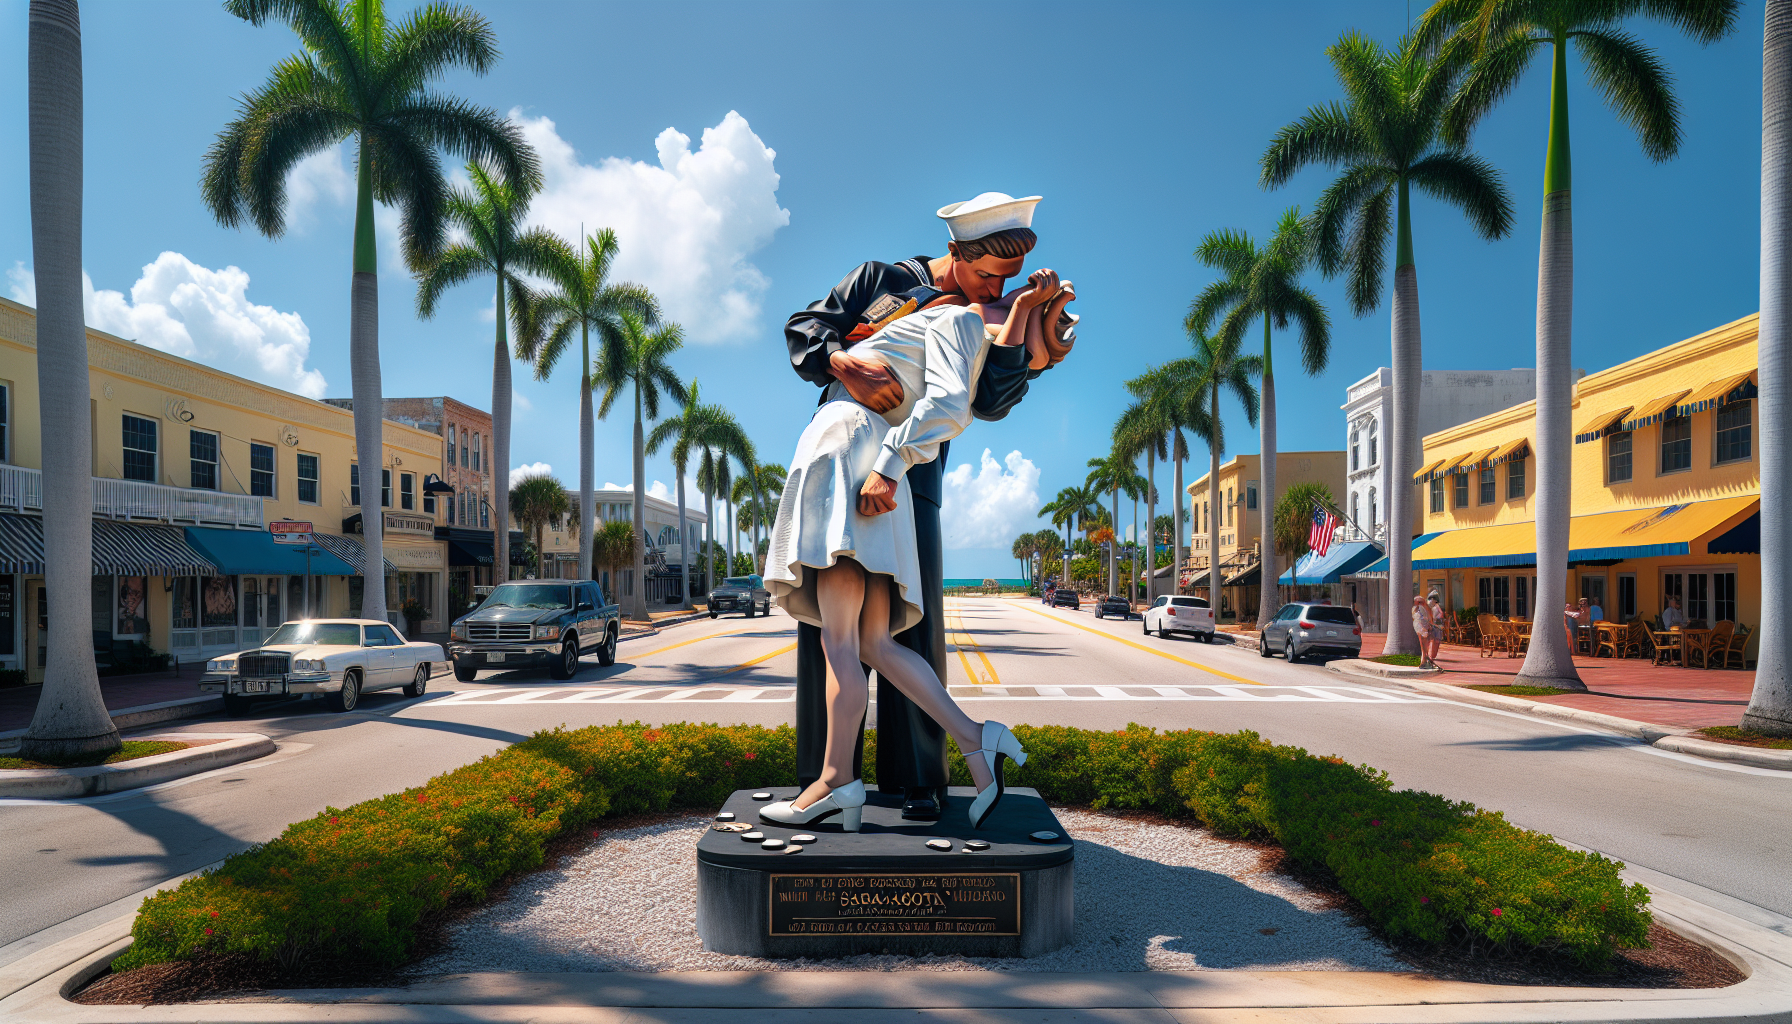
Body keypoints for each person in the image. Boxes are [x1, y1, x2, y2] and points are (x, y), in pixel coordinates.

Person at [782, 192, 1074, 821]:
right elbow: (806, 327)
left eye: (1007, 280)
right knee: (849, 636)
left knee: (901, 628)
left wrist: (1031, 338)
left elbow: (988, 401)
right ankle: (834, 771)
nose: (993, 288)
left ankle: (915, 782)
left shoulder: (982, 315)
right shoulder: (882, 281)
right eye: (987, 275)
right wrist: (843, 363)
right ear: (956, 251)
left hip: (906, 470)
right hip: (848, 451)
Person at [1411, 595, 1435, 669]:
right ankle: (1424, 660)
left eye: (1420, 602)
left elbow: (1429, 617)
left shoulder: (1423, 608)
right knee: (1423, 644)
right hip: (1421, 628)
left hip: (1423, 627)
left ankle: (1425, 659)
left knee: (1425, 644)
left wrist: (1430, 624)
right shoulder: (1417, 609)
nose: (1418, 603)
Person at [1425, 590, 1446, 665]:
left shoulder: (1436, 607)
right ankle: (1429, 656)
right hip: (1432, 626)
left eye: (1434, 599)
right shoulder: (1429, 607)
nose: (1432, 601)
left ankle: (1431, 656)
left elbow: (1441, 615)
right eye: (1431, 599)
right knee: (1432, 640)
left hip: (1436, 626)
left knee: (1435, 640)